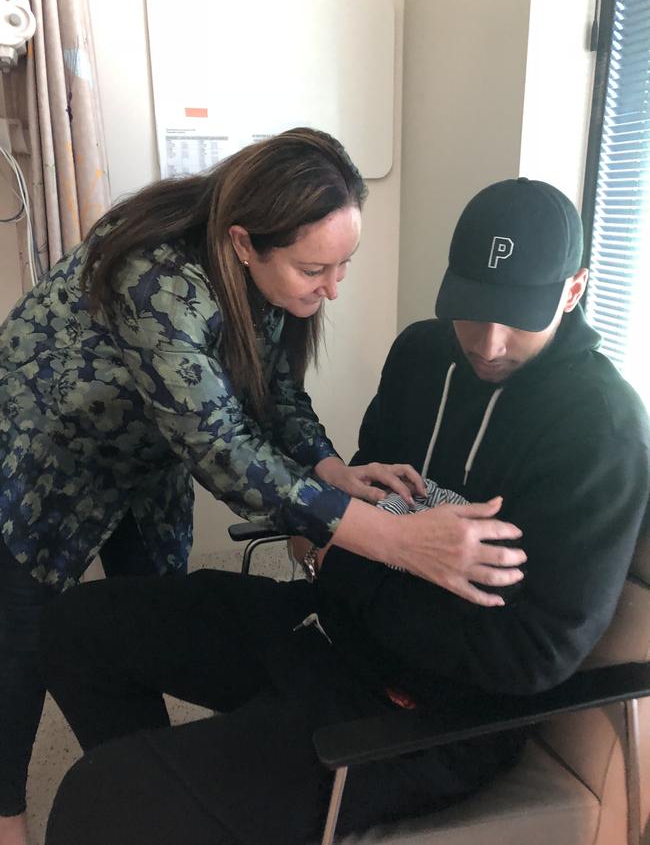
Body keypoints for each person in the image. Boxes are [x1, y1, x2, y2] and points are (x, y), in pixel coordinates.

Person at [41, 176, 648, 845]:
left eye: (519, 317)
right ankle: (193, 804)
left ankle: (175, 799)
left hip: (424, 715)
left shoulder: (602, 430)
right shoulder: (422, 354)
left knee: (98, 802)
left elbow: (530, 656)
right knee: (76, 628)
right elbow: (348, 507)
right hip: (322, 631)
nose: (489, 342)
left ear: (574, 289)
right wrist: (349, 544)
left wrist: (345, 559)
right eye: (474, 308)